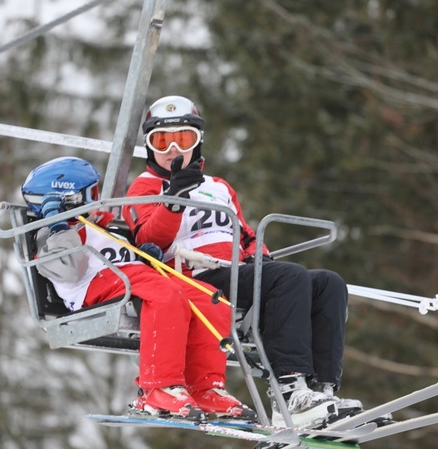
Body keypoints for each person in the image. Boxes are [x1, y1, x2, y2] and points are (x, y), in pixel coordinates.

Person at [122, 96, 363, 429]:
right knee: (289, 277)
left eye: (184, 138)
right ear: (149, 146)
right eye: (162, 140)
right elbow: (149, 238)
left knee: (327, 283)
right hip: (197, 276)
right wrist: (173, 201)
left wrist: (260, 260)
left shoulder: (218, 187)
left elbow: (245, 235)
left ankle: (320, 390)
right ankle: (289, 393)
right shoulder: (144, 188)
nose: (174, 148)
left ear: (198, 142)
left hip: (238, 271)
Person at [22, 156, 255, 422]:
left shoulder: (102, 228)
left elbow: (126, 259)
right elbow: (69, 269)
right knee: (164, 293)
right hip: (91, 286)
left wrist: (144, 255)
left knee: (209, 298)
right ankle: (158, 387)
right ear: (69, 200)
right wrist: (59, 222)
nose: (98, 201)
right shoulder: (52, 235)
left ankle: (204, 387)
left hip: (132, 277)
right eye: (91, 195)